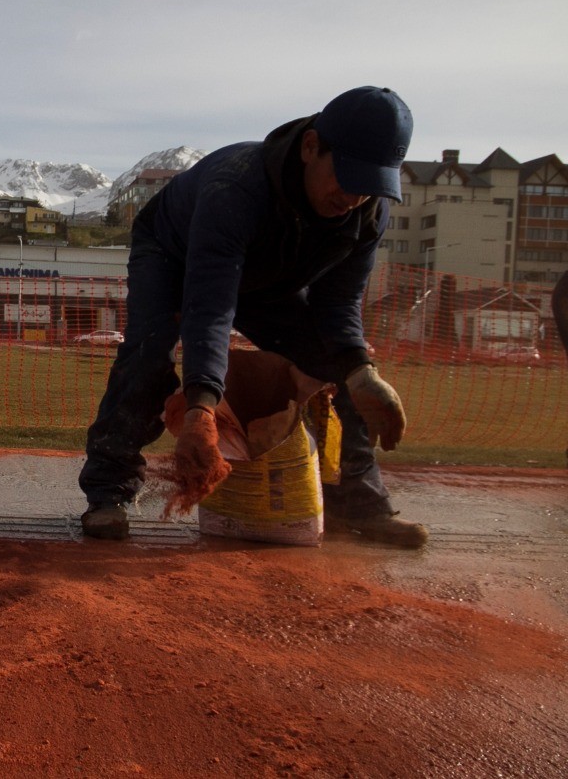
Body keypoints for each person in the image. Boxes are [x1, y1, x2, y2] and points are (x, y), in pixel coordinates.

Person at [79, 86, 427, 548]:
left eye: (370, 185)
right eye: (346, 176)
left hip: (265, 279)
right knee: (147, 356)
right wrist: (202, 406)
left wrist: (359, 371)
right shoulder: (237, 188)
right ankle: (108, 492)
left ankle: (358, 503)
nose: (353, 196)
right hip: (173, 255)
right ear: (310, 148)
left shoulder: (366, 214)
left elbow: (337, 305)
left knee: (344, 370)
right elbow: (210, 304)